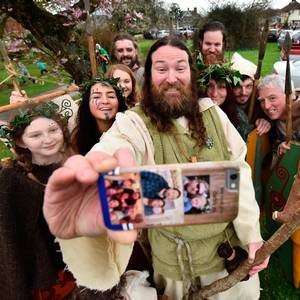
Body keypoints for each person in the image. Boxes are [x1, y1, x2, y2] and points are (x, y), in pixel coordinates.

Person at [43, 36, 268, 300]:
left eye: (180, 68)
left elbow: (239, 174)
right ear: (148, 77)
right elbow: (115, 147)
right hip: (175, 266)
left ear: (191, 75)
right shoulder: (134, 123)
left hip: (227, 256)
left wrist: (252, 235)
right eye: (161, 69)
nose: (171, 77)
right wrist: (93, 179)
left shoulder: (214, 115)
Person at [0, 102, 77, 299]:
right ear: (21, 142)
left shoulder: (71, 164)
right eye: (35, 135)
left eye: (53, 130)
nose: (48, 139)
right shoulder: (12, 178)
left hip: (77, 260)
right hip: (46, 272)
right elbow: (7, 236)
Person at [71, 77, 127, 155]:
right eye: (96, 97)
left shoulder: (129, 131)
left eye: (111, 96)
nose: (105, 101)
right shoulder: (77, 138)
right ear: (87, 103)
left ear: (119, 102)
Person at [257, 74, 300, 157]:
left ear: (289, 96)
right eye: (262, 100)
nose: (266, 106)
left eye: (272, 98)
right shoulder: (277, 118)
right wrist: (280, 148)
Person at [231, 52, 271, 134]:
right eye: (238, 86)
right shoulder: (224, 105)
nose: (243, 92)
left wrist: (267, 122)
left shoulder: (260, 102)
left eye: (248, 86)